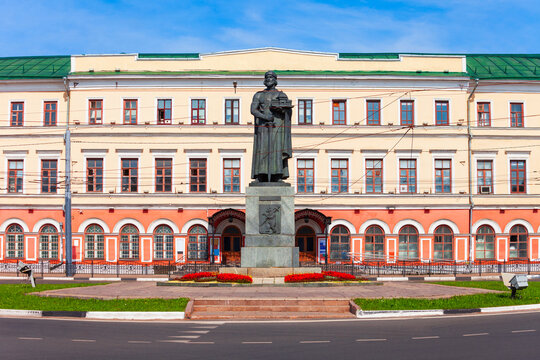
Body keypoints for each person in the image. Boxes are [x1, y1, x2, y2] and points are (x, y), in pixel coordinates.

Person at [250, 71, 292, 183]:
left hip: (277, 128)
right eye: (266, 77)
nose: (268, 79)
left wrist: (282, 110)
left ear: (275, 80)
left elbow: (287, 110)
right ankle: (260, 175)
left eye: (271, 77)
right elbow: (253, 110)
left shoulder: (281, 95)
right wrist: (265, 116)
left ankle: (277, 175)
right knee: (261, 150)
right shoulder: (258, 95)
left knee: (276, 151)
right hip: (263, 128)